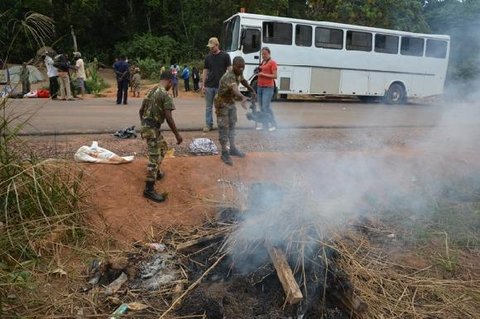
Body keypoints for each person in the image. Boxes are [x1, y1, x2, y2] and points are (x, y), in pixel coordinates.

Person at [139, 71, 183, 202]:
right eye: (172, 83)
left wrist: (144, 124)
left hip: (148, 127)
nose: (172, 85)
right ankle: (149, 189)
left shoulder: (150, 90)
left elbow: (141, 111)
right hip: (151, 129)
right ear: (170, 81)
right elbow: (169, 117)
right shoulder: (166, 94)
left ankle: (157, 172)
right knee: (154, 157)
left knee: (163, 147)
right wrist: (177, 135)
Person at [214, 56, 256, 166]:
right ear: (233, 66)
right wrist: (243, 97)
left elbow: (243, 80)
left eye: (243, 67)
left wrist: (251, 89)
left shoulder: (238, 72)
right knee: (224, 128)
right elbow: (234, 89)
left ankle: (232, 148)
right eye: (239, 67)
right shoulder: (229, 75)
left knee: (232, 125)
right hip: (222, 103)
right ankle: (224, 152)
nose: (241, 69)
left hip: (230, 102)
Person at [202, 37, 231, 132]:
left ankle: (221, 124)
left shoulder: (225, 56)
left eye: (212, 47)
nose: (211, 49)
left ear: (217, 45)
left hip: (220, 86)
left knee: (220, 106)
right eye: (209, 47)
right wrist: (203, 85)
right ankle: (208, 124)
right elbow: (205, 71)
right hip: (209, 85)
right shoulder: (208, 57)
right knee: (208, 107)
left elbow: (229, 70)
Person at [256, 47, 278, 131]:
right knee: (261, 107)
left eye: (265, 54)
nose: (263, 56)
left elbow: (275, 76)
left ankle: (273, 124)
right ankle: (265, 124)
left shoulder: (273, 63)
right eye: (262, 54)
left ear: (269, 53)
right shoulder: (263, 62)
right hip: (260, 86)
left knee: (266, 107)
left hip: (268, 87)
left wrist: (262, 74)